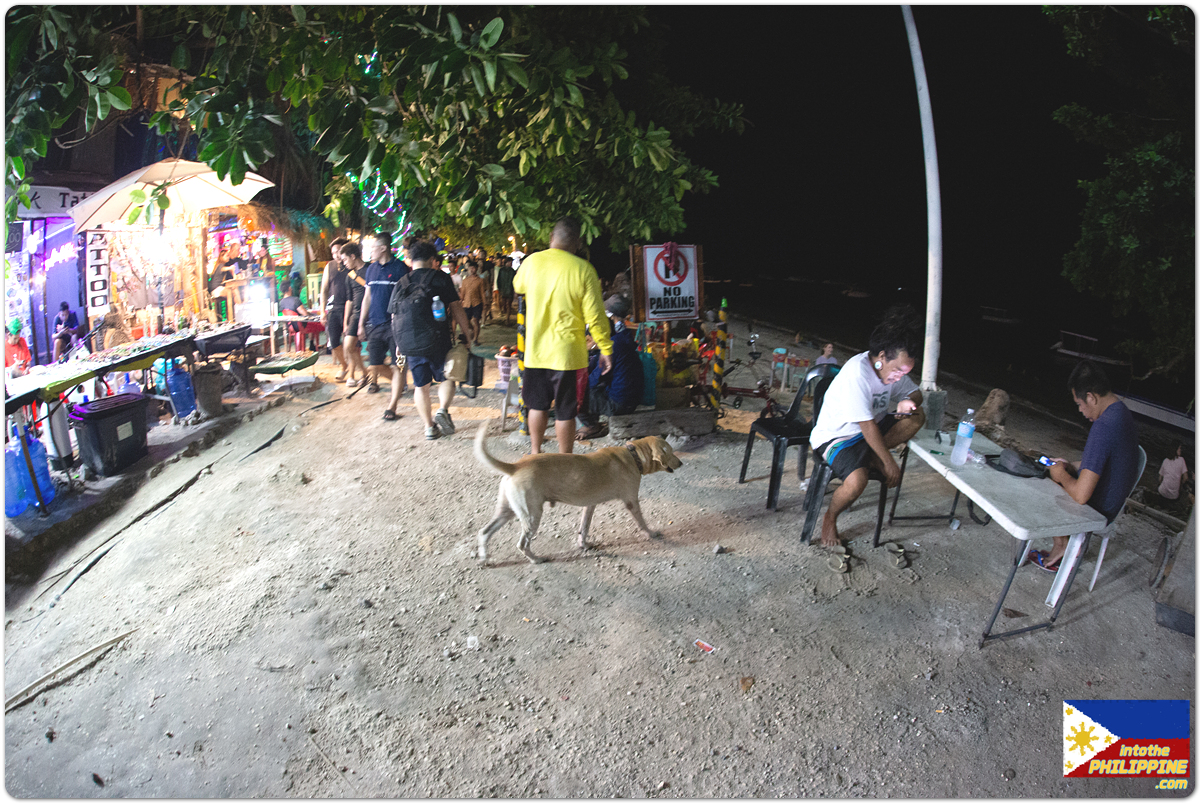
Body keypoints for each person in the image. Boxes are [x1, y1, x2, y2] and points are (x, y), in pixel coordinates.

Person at [808, 305, 926, 548]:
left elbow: (917, 393)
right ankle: (830, 517)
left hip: (870, 431)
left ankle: (872, 456)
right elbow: (867, 425)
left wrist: (908, 401)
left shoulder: (894, 368)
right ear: (882, 357)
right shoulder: (858, 374)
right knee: (857, 483)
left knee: (917, 416)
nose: (900, 376)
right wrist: (889, 462)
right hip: (837, 437)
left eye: (905, 372)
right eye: (898, 371)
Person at [512, 216, 613, 455]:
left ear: (551, 237)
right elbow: (595, 316)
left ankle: (536, 454)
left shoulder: (532, 262)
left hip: (536, 351)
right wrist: (605, 348)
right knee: (566, 411)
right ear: (577, 243)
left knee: (537, 406)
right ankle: (565, 460)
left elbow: (518, 286)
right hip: (568, 355)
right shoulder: (584, 270)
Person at [1032, 360, 1141, 572]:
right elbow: (1105, 462)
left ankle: (1063, 545)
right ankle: (1063, 543)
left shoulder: (1103, 427)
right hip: (1113, 499)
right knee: (1062, 470)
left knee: (1047, 481)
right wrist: (1069, 465)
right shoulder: (1121, 413)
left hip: (1100, 508)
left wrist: (1061, 475)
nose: (1081, 411)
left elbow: (1082, 496)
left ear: (1091, 397)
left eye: (1080, 404)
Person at [391, 241, 474, 440]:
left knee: (421, 386)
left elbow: (394, 316)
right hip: (438, 339)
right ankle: (442, 409)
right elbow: (456, 308)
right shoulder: (441, 278)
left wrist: (399, 343)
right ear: (432, 259)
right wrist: (467, 334)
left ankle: (429, 427)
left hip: (410, 342)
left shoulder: (402, 282)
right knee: (447, 378)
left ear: (411, 260)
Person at [576, 294, 644, 440]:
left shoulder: (613, 346)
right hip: (631, 398)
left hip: (621, 404)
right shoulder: (623, 337)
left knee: (575, 393)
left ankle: (591, 425)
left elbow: (594, 379)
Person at [358, 232, 411, 420]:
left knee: (400, 365)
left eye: (373, 248)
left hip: (397, 326)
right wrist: (361, 324)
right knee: (375, 365)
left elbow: (407, 297)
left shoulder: (401, 268)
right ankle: (401, 382)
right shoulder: (371, 269)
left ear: (383, 248)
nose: (370, 251)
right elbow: (367, 297)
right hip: (375, 324)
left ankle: (392, 406)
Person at [320, 238, 352, 381]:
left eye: (338, 251)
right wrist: (322, 311)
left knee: (350, 342)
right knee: (333, 342)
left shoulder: (351, 264)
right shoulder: (330, 266)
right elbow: (324, 290)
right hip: (333, 308)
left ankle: (351, 372)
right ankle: (344, 365)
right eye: (333, 253)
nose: (336, 255)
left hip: (349, 307)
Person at [340, 242, 369, 387]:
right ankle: (364, 372)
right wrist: (346, 321)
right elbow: (349, 300)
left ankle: (372, 377)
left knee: (374, 349)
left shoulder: (370, 269)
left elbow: (370, 288)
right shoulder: (349, 276)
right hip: (356, 314)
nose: (344, 263)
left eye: (345, 259)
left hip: (371, 313)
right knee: (348, 346)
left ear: (353, 256)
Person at [458, 261, 487, 344]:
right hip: (467, 303)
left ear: (476, 269)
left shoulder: (480, 280)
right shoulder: (465, 281)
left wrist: (485, 303)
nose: (471, 270)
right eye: (470, 268)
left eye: (473, 268)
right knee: (466, 321)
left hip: (477, 302)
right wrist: (460, 301)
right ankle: (473, 331)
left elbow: (482, 293)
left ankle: (475, 339)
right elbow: (462, 293)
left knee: (476, 320)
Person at [497, 256, 516, 325]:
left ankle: (507, 319)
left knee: (508, 305)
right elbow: (499, 280)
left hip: (509, 290)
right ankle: (506, 317)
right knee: (505, 305)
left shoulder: (512, 271)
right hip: (504, 290)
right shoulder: (502, 270)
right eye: (510, 262)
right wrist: (500, 289)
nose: (511, 263)